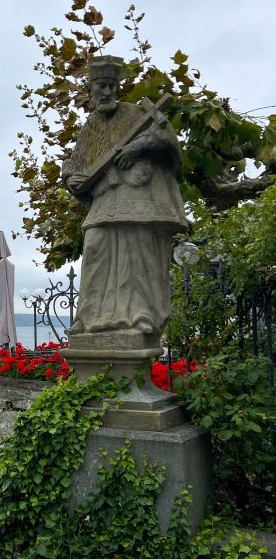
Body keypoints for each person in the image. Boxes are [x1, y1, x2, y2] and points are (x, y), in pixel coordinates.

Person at [61, 55, 187, 343]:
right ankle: (89, 320)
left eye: (110, 85)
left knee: (137, 259)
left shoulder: (134, 113)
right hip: (104, 201)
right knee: (95, 250)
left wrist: (137, 147)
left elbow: (166, 139)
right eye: (100, 86)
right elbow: (75, 163)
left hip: (138, 199)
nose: (105, 92)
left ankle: (140, 318)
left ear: (117, 87)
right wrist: (71, 179)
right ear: (90, 91)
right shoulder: (90, 126)